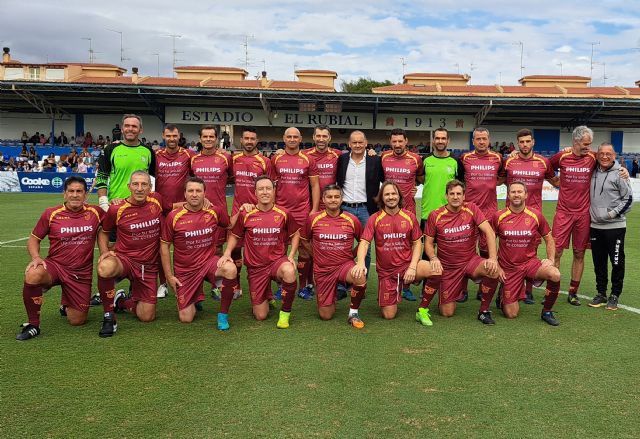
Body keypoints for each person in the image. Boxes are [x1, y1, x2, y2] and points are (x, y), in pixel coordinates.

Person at [16, 176, 104, 340]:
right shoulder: (51, 213)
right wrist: (36, 257)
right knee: (33, 273)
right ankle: (34, 324)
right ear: (64, 194)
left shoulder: (96, 213)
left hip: (80, 273)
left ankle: (66, 304)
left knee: (77, 320)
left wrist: (117, 203)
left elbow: (111, 224)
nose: (75, 195)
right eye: (71, 191)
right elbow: (34, 238)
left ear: (85, 195)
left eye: (79, 191)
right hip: (55, 267)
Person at [220, 176, 300, 329]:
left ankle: (285, 314)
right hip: (256, 268)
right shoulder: (246, 214)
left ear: (274, 191)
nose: (265, 192)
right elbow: (235, 235)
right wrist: (227, 252)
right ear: (255, 192)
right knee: (261, 316)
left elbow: (295, 233)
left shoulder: (283, 213)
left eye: (268, 188)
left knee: (289, 271)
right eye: (261, 189)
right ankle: (266, 295)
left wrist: (291, 255)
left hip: (277, 262)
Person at [352, 181, 440, 321]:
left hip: (407, 268)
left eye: (394, 193)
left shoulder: (409, 216)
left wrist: (412, 267)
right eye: (387, 194)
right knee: (389, 315)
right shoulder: (375, 218)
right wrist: (361, 262)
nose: (391, 197)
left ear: (399, 196)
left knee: (436, 270)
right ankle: (391, 292)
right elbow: (364, 242)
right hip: (387, 273)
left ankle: (422, 309)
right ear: (382, 197)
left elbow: (417, 243)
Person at [96, 171, 168, 337]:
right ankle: (109, 316)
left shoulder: (157, 200)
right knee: (105, 267)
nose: (140, 188)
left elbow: (174, 208)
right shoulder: (117, 208)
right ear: (129, 187)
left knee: (146, 316)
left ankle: (121, 302)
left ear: (150, 188)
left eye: (144, 184)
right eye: (135, 184)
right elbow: (103, 232)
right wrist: (105, 252)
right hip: (125, 260)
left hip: (148, 266)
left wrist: (205, 202)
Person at [160, 177, 238, 329]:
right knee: (186, 318)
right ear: (184, 194)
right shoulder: (173, 217)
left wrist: (242, 210)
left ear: (204, 193)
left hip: (209, 263)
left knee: (230, 269)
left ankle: (223, 315)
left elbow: (230, 224)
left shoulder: (214, 211)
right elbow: (164, 246)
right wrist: (169, 276)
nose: (194, 194)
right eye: (190, 191)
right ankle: (196, 296)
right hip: (186, 271)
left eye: (198, 191)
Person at [423, 180, 500, 325]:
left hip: (470, 261)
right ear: (446, 196)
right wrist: (433, 258)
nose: (455, 197)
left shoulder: (472, 208)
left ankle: (483, 311)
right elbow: (427, 243)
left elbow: (489, 232)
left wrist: (493, 258)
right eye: (452, 194)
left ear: (464, 196)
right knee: (447, 312)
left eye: (459, 193)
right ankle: (453, 290)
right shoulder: (436, 215)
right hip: (448, 267)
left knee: (493, 270)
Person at [492, 181, 562, 325]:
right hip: (509, 268)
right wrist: (496, 264)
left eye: (520, 192)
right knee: (511, 314)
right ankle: (503, 293)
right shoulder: (498, 216)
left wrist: (551, 259)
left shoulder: (535, 215)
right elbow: (490, 240)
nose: (516, 195)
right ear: (508, 195)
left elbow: (549, 239)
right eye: (513, 192)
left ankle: (547, 311)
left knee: (554, 274)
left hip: (530, 264)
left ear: (526, 195)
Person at [502, 128, 558, 304]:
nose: (525, 144)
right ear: (517, 144)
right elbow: (497, 179)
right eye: (521, 142)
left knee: (530, 251)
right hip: (510, 213)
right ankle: (507, 286)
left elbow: (555, 181)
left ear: (533, 142)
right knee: (509, 250)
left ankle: (528, 290)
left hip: (534, 215)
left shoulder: (543, 162)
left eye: (528, 141)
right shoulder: (509, 161)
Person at [302, 185, 367, 328]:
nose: (333, 200)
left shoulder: (351, 219)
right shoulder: (313, 219)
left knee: (360, 275)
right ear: (323, 199)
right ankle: (331, 296)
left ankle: (353, 313)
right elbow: (304, 240)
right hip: (323, 269)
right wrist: (316, 255)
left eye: (337, 197)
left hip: (344, 265)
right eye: (329, 197)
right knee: (326, 315)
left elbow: (363, 240)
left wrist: (352, 256)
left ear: (342, 199)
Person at [549, 126, 597, 305]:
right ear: (576, 141)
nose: (588, 147)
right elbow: (545, 167)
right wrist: (554, 181)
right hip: (563, 212)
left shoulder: (593, 157)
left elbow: (609, 162)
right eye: (585, 144)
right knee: (557, 252)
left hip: (583, 214)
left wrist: (622, 170)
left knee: (579, 252)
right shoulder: (562, 156)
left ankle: (573, 292)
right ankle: (552, 290)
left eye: (589, 144)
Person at [272, 127, 320, 300]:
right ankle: (282, 285)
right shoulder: (276, 158)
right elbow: (271, 185)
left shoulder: (308, 159)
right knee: (280, 249)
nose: (292, 139)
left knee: (306, 250)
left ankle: (306, 285)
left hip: (302, 211)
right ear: (284, 139)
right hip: (281, 212)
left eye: (295, 137)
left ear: (300, 139)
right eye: (289, 136)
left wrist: (314, 210)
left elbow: (315, 186)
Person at [380, 128, 425, 301]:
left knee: (409, 246)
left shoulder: (416, 159)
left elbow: (422, 178)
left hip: (409, 210)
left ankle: (406, 286)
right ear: (390, 142)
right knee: (391, 247)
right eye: (394, 141)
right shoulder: (383, 157)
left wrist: (415, 188)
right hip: (388, 210)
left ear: (406, 141)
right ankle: (390, 281)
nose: (397, 144)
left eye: (400, 141)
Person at [459, 127, 504, 302]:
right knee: (465, 250)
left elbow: (502, 177)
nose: (481, 142)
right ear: (473, 141)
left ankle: (483, 287)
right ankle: (462, 289)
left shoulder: (498, 158)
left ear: (489, 139)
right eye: (478, 139)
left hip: (489, 212)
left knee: (486, 250)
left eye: (484, 138)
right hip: (468, 211)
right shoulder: (465, 158)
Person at [587, 143, 633, 311]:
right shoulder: (592, 171)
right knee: (599, 262)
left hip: (615, 227)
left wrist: (611, 214)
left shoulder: (620, 174)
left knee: (616, 261)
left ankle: (615, 294)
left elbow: (628, 199)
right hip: (595, 227)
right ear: (597, 155)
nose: (605, 156)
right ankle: (601, 293)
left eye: (608, 153)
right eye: (601, 153)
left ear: (614, 155)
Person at [230, 127, 274, 296]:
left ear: (257, 141)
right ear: (241, 140)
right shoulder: (233, 159)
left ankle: (264, 286)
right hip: (237, 210)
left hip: (258, 211)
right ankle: (236, 285)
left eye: (252, 139)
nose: (249, 141)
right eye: (246, 138)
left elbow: (271, 188)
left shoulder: (264, 161)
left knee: (260, 249)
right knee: (235, 249)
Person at [153, 123, 196, 299]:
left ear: (179, 136)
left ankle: (191, 281)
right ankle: (163, 283)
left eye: (175, 136)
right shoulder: (155, 156)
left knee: (187, 247)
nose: (171, 139)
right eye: (168, 136)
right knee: (160, 247)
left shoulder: (188, 155)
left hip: (183, 211)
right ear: (163, 136)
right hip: (160, 210)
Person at [336, 130, 385, 278]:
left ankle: (361, 282)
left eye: (360, 142)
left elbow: (385, 181)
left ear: (365, 143)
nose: (357, 145)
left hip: (366, 209)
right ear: (349, 144)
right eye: (354, 142)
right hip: (345, 209)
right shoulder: (342, 159)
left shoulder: (375, 160)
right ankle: (344, 280)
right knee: (343, 246)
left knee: (366, 248)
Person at [95, 114, 155, 211]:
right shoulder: (110, 149)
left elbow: (153, 179)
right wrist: (103, 203)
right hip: (116, 205)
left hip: (141, 207)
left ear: (141, 130)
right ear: (122, 129)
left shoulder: (148, 151)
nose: (130, 129)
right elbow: (102, 176)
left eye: (134, 126)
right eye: (127, 126)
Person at [190, 125, 232, 253]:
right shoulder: (193, 159)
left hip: (218, 210)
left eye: (211, 136)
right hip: (196, 211)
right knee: (195, 248)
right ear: (200, 139)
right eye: (205, 136)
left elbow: (231, 177)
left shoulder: (226, 158)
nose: (208, 139)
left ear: (216, 139)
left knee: (217, 249)